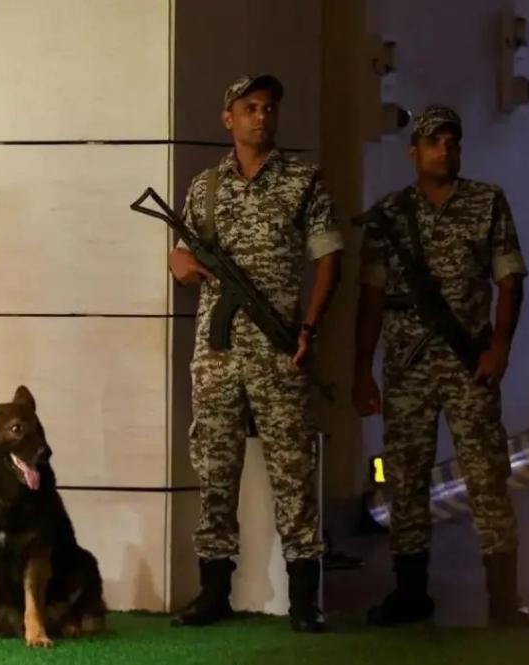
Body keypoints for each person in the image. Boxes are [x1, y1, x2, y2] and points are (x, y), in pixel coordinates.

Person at [169, 74, 343, 633]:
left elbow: (329, 259)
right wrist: (179, 263)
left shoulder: (301, 180)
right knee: (214, 468)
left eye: (269, 108)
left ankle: (304, 597)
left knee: (293, 471)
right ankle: (213, 589)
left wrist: (309, 328)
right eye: (250, 108)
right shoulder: (205, 187)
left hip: (279, 351)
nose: (261, 117)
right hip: (216, 353)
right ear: (229, 118)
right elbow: (180, 253)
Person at [353, 105, 529, 627]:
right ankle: (410, 592)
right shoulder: (388, 215)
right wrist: (362, 370)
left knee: (486, 476)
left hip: (468, 364)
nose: (445, 150)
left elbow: (509, 280)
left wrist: (500, 347)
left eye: (452, 142)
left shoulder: (486, 202)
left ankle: (503, 598)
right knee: (405, 478)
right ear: (414, 152)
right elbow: (370, 298)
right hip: (406, 368)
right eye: (434, 142)